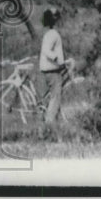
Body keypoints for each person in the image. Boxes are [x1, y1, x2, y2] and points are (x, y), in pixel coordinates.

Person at [38, 7, 71, 140]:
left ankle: (51, 129)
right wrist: (58, 60)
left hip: (47, 69)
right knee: (55, 99)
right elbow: (46, 50)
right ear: (55, 20)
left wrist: (63, 60)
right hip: (52, 70)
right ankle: (48, 126)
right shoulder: (53, 34)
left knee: (51, 98)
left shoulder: (49, 33)